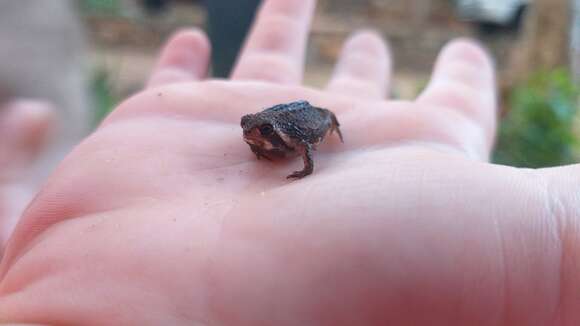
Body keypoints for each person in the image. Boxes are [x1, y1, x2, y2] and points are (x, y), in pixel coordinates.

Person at [0, 0, 578, 324]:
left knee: (311, 115)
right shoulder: (262, 133)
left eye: (257, 132)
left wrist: (309, 165)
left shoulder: (299, 130)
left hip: (309, 116)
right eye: (250, 132)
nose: (252, 137)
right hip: (289, 117)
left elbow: (307, 136)